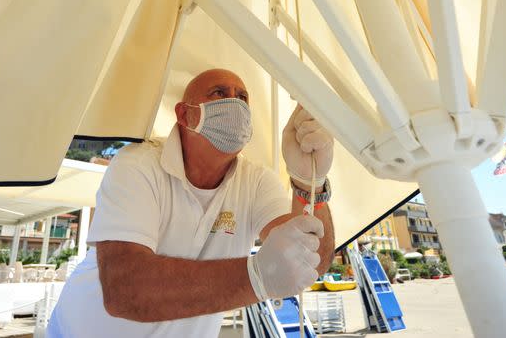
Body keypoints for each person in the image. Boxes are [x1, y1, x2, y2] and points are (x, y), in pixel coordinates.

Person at [48, 68, 335, 337]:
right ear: (185, 115)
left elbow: (312, 261)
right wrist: (257, 276)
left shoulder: (257, 181)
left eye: (243, 97)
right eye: (219, 93)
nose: (235, 103)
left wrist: (309, 183)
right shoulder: (138, 164)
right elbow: (125, 289)